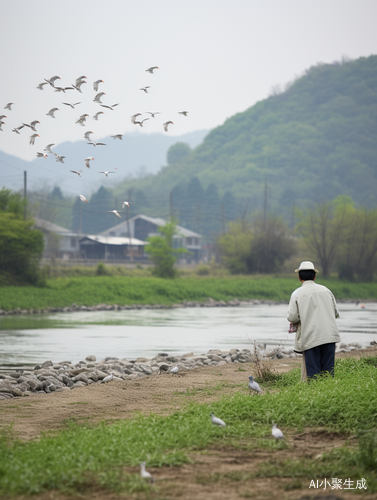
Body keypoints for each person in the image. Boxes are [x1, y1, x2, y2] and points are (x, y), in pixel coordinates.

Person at [287, 261, 341, 380]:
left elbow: (292, 317)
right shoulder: (327, 291)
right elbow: (336, 313)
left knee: (313, 373)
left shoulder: (296, 294)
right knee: (328, 371)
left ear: (299, 277)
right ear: (315, 276)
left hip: (311, 337)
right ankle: (329, 393)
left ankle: (315, 395)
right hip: (329, 335)